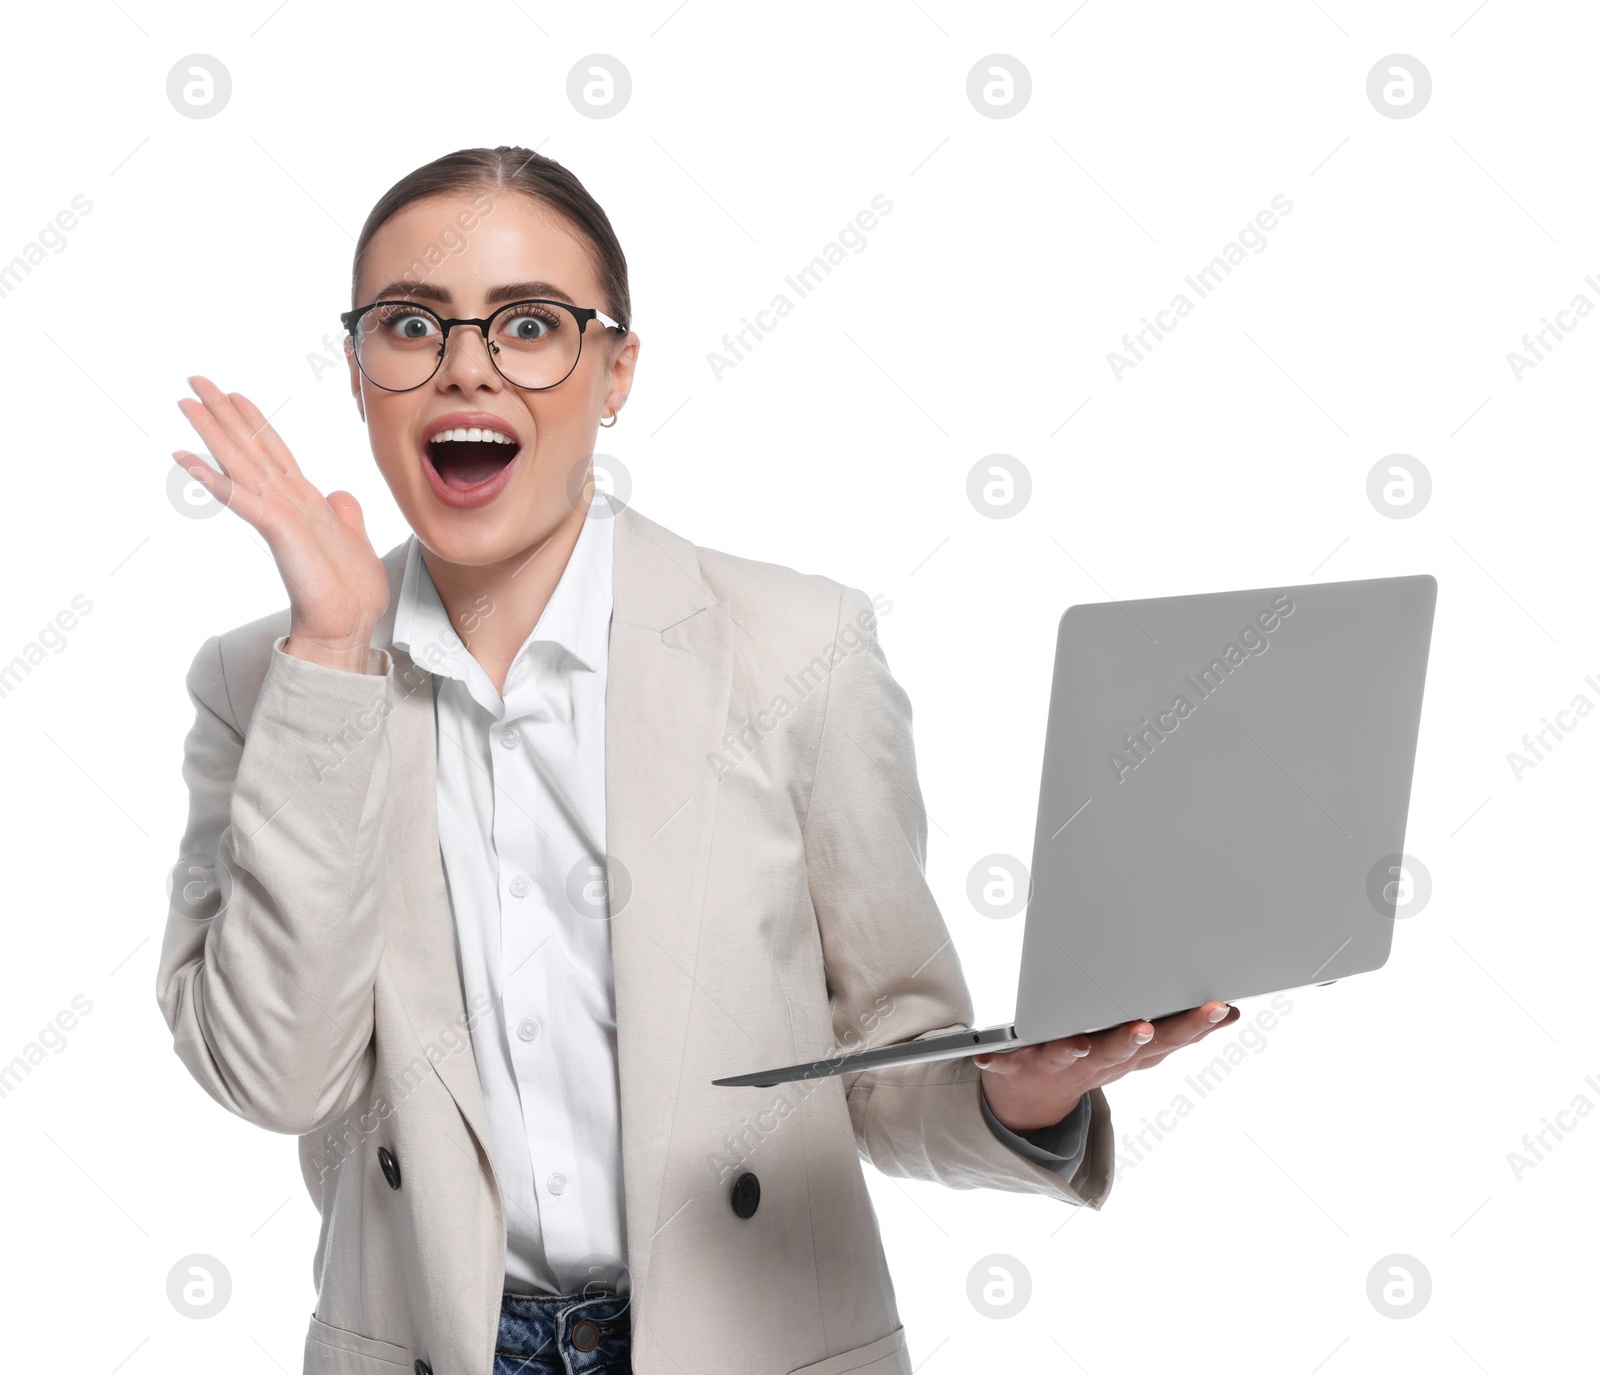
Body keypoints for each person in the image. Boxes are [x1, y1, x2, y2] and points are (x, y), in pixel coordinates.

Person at [157, 145, 1241, 1375]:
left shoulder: (796, 648)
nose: (468, 366)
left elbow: (887, 1058)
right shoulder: (270, 687)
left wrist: (1026, 1095)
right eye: (413, 325)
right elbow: (272, 1075)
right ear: (360, 375)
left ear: (616, 371)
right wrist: (334, 656)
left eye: (530, 325)